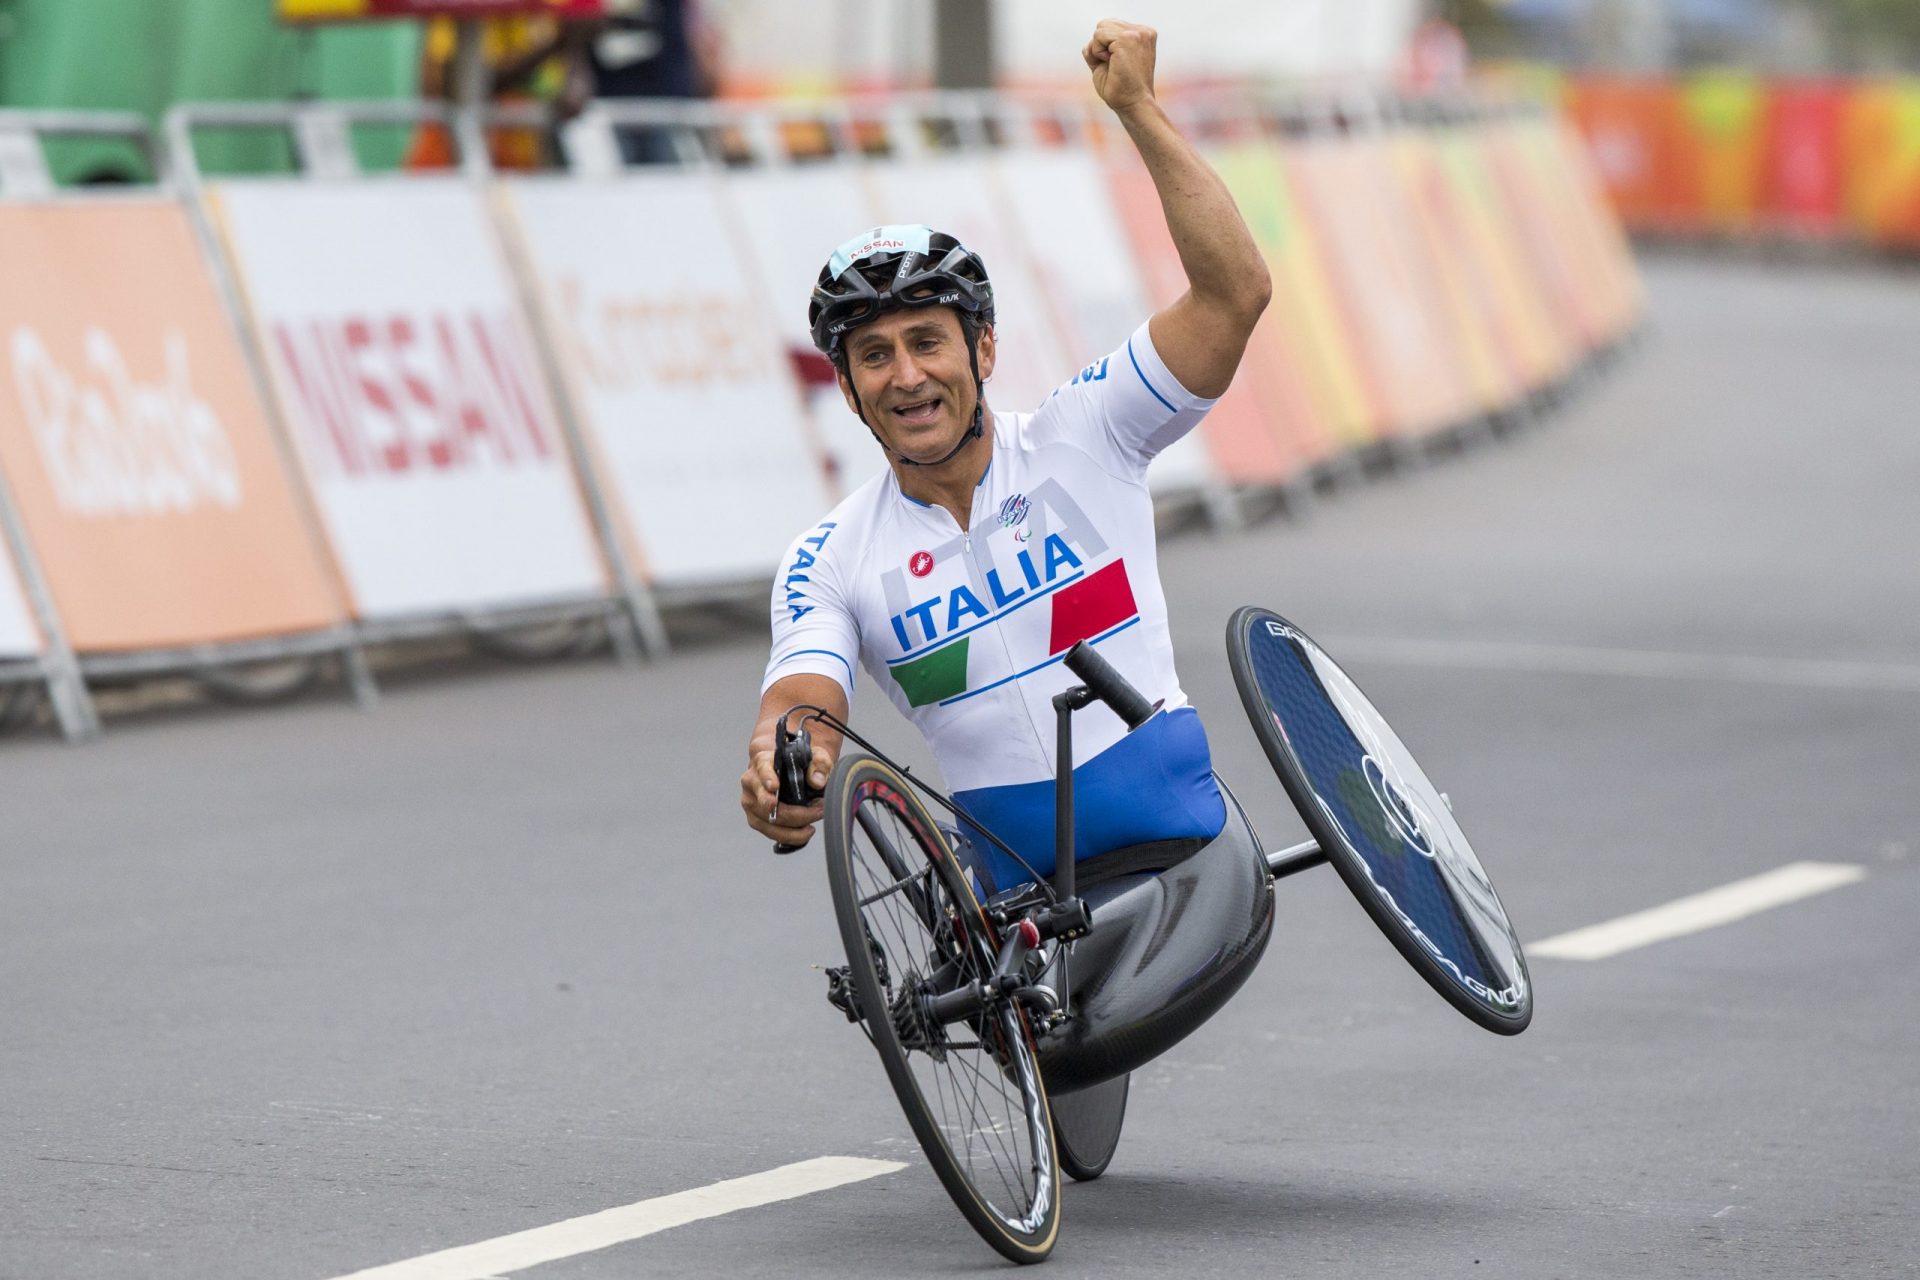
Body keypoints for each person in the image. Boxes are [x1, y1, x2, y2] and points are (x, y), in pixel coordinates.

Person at [739, 20, 1272, 889]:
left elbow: (1234, 292)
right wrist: (783, 761)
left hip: (1182, 850)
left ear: (983, 351)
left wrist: (1136, 108)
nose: (906, 376)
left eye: (927, 341)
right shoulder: (829, 556)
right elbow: (803, 695)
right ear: (847, 390)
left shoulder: (1086, 431)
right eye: (874, 356)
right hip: (1022, 903)